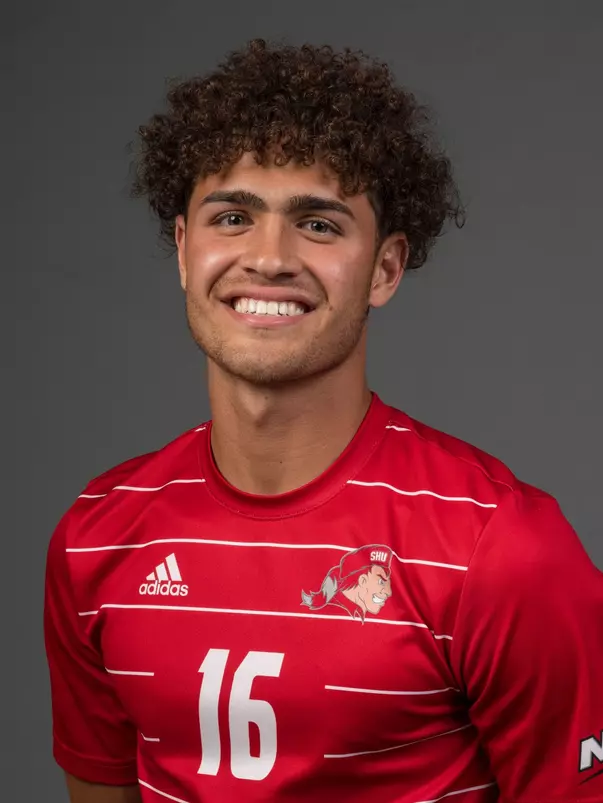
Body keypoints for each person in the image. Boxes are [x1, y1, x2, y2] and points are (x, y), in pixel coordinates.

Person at [44, 38, 603, 803]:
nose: (268, 258)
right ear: (182, 250)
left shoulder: (499, 548)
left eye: (318, 224)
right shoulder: (98, 536)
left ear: (384, 268)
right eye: (232, 216)